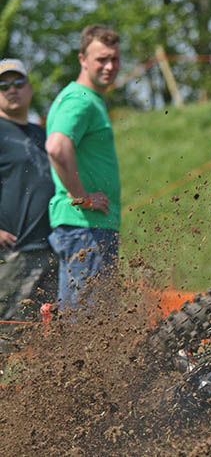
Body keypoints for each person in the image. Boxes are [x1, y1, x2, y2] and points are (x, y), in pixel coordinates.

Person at [45, 24, 122, 311]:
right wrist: (82, 197)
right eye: (101, 59)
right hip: (86, 227)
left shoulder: (89, 100)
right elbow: (56, 146)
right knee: (90, 323)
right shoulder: (80, 99)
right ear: (83, 60)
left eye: (115, 58)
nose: (110, 66)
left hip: (87, 227)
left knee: (87, 320)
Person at [0, 59, 58, 325]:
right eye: (3, 84)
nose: (12, 89)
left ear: (30, 88)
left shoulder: (41, 133)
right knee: (9, 334)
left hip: (52, 248)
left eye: (18, 82)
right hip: (14, 253)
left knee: (48, 333)